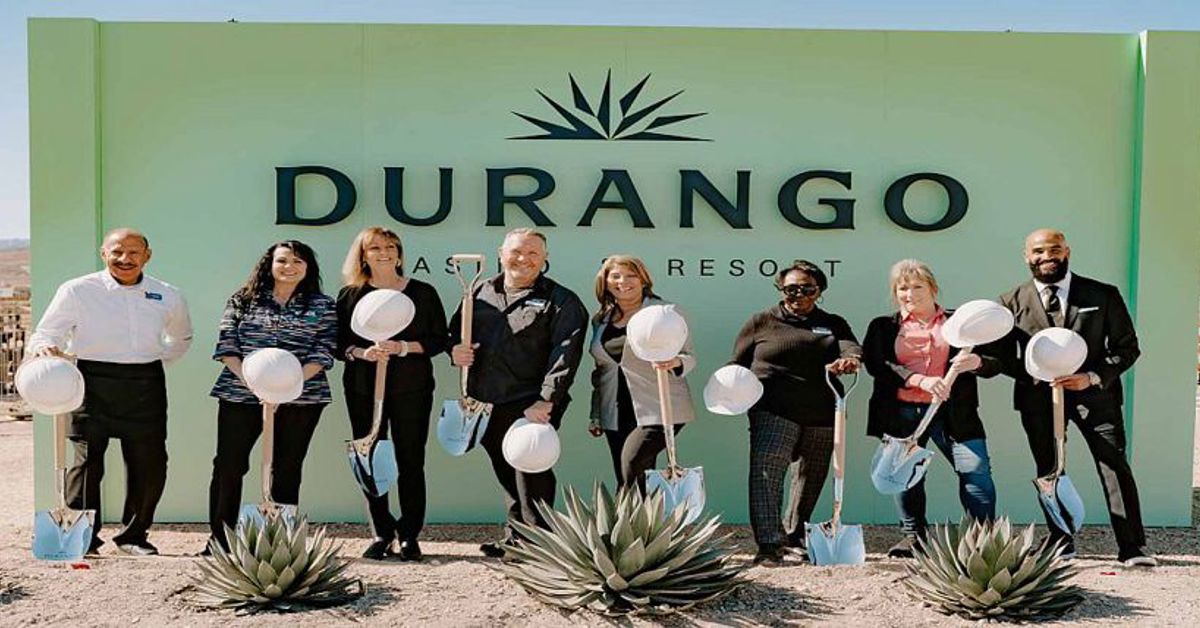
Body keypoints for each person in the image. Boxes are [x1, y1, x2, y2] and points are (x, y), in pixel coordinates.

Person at [992, 228, 1155, 567]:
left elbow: (1127, 348)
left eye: (1054, 249)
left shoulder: (1102, 294)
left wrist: (1093, 377)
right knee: (1049, 469)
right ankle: (1061, 540)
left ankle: (1132, 547)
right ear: (1026, 256)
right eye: (1038, 251)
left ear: (1067, 251)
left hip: (1095, 395)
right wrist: (1034, 373)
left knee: (1113, 464)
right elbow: (1003, 356)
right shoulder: (1009, 301)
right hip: (1037, 398)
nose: (1046, 257)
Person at [27, 228, 193, 556]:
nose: (124, 259)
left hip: (145, 383)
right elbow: (45, 333)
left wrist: (151, 363)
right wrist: (47, 348)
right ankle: (83, 539)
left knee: (150, 463)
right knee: (86, 464)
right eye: (116, 252)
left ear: (147, 255)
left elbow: (182, 338)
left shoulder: (168, 294)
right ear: (104, 254)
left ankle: (133, 537)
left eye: (133, 252)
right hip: (90, 380)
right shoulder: (77, 290)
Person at [448, 228, 588, 558]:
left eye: (533, 254)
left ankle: (541, 544)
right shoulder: (480, 291)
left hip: (531, 402)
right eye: (516, 252)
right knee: (504, 466)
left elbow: (566, 353)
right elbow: (457, 331)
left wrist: (546, 400)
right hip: (486, 398)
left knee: (531, 467)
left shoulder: (562, 300)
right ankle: (517, 536)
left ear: (544, 260)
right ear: (501, 253)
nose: (523, 259)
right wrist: (454, 350)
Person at [205, 240, 337, 552]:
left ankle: (279, 541)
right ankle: (220, 539)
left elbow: (324, 349)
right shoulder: (243, 300)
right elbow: (227, 345)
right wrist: (255, 383)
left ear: (308, 267)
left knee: (288, 465)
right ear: (269, 265)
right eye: (282, 261)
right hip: (241, 393)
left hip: (302, 396)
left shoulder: (323, 304)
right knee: (229, 464)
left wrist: (287, 384)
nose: (289, 267)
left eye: (298, 261)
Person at [863, 259, 1000, 558]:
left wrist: (977, 363)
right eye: (902, 288)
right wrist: (918, 380)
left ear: (933, 288)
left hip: (953, 414)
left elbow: (995, 362)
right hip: (903, 412)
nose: (909, 293)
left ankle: (983, 539)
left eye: (917, 286)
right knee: (906, 477)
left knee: (975, 471)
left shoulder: (959, 323)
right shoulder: (884, 326)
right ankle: (913, 537)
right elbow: (877, 364)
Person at [729, 259, 861, 566]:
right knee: (767, 476)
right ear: (780, 289)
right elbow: (736, 364)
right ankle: (769, 546)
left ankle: (794, 537)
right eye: (790, 289)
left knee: (810, 477)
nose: (798, 295)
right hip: (772, 409)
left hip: (824, 411)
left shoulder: (833, 323)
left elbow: (851, 348)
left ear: (819, 291)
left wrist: (850, 361)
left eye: (807, 289)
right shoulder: (761, 321)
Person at [336, 227, 447, 561]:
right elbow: (337, 343)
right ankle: (382, 531)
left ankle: (410, 534)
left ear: (399, 253)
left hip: (412, 389)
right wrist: (361, 352)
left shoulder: (422, 293)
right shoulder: (350, 296)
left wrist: (402, 347)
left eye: (390, 246)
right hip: (362, 389)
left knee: (410, 459)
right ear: (363, 255)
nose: (383, 252)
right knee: (369, 456)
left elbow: (439, 339)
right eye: (374, 248)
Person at [587, 255, 696, 492]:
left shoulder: (666, 312)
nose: (623, 281)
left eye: (631, 275)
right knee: (628, 474)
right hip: (615, 409)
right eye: (615, 276)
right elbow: (601, 371)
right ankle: (641, 527)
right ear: (605, 282)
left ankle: (625, 526)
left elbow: (689, 357)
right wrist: (596, 413)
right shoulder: (601, 320)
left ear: (643, 280)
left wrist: (674, 361)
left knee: (632, 463)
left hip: (659, 407)